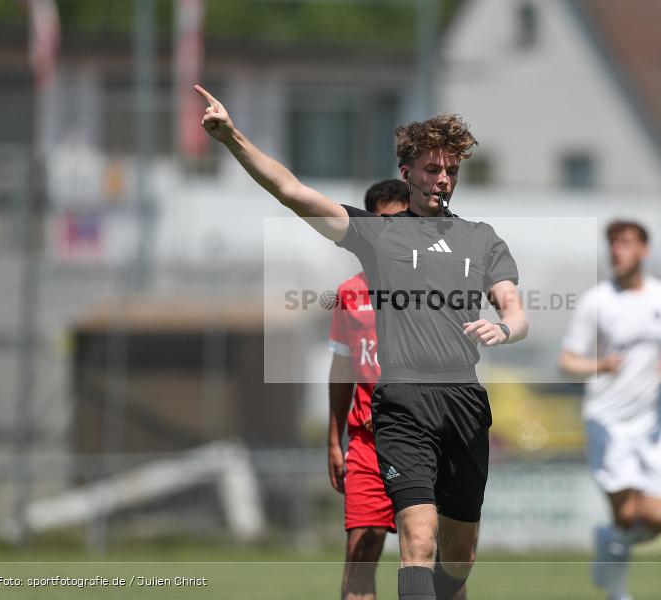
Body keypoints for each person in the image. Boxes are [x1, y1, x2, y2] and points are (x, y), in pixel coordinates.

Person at [196, 85, 528, 600]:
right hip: (403, 402)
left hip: (463, 399)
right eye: (432, 169)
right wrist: (232, 138)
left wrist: (505, 327)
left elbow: (515, 310)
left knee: (459, 558)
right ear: (407, 172)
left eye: (451, 170)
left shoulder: (482, 237)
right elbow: (292, 190)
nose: (443, 179)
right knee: (418, 537)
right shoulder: (378, 234)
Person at [559, 220, 661, 600]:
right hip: (608, 420)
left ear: (644, 250)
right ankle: (618, 593)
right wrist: (600, 365)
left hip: (654, 423)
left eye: (626, 242)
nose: (617, 250)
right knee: (627, 514)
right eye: (613, 243)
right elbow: (567, 361)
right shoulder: (596, 301)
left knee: (660, 517)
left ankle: (609, 541)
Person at [328, 179, 410, 600]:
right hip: (367, 442)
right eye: (381, 223)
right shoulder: (350, 294)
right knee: (362, 549)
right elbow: (342, 370)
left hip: (423, 438)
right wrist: (334, 440)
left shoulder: (435, 286)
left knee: (435, 557)